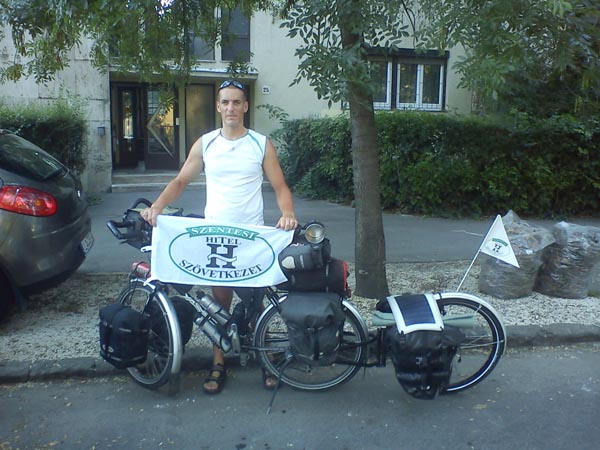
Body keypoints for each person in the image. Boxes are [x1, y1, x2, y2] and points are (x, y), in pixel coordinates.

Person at [140, 79, 298, 394]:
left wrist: (288, 213)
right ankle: (218, 362)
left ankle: (265, 359)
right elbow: (181, 181)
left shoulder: (260, 144)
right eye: (225, 102)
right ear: (218, 106)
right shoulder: (206, 143)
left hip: (251, 239)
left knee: (257, 304)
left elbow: (280, 185)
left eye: (236, 102)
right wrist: (157, 206)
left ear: (246, 106)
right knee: (219, 305)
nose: (231, 108)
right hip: (216, 237)